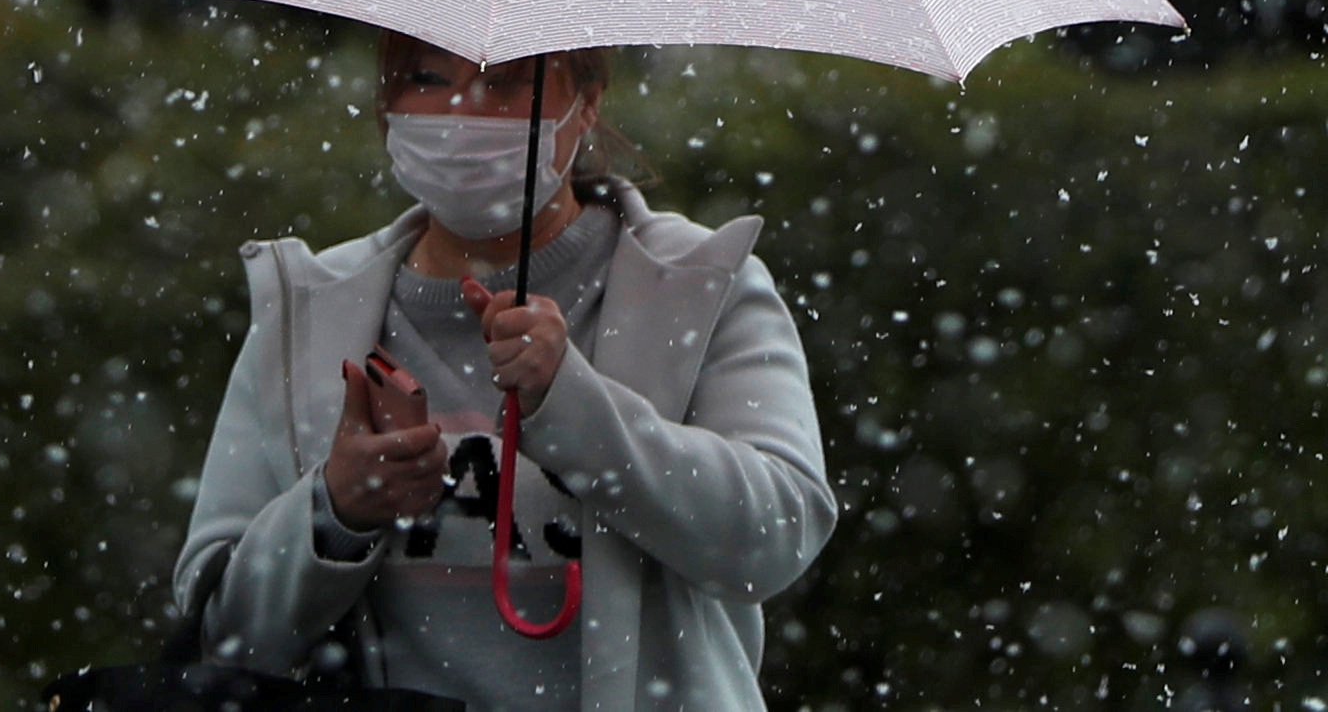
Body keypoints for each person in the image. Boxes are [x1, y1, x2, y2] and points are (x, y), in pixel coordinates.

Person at [175, 37, 834, 712]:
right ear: (384, 106)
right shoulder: (307, 310)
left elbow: (776, 536)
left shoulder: (700, 283)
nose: (464, 109)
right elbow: (224, 636)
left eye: (509, 82)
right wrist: (334, 512)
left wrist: (572, 406)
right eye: (428, 77)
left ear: (587, 105)